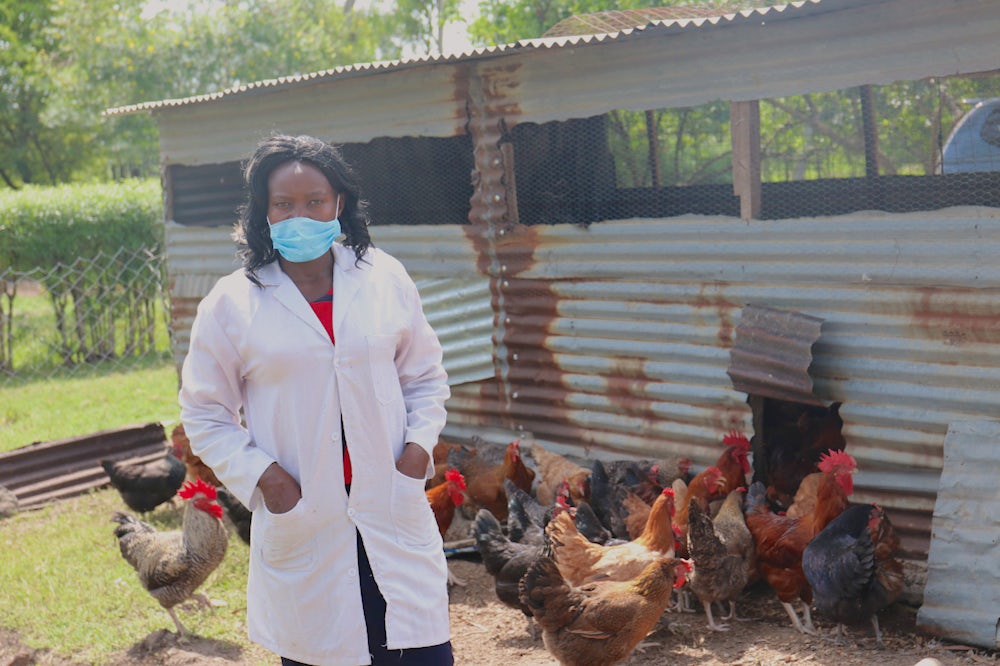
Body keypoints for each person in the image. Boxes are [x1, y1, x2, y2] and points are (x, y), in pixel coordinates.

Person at [178, 134, 454, 666]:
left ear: (339, 205)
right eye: (284, 204)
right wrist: (268, 481)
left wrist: (416, 452)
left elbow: (424, 376)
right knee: (324, 653)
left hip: (389, 511)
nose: (300, 215)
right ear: (264, 212)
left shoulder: (384, 278)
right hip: (305, 519)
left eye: (315, 202)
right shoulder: (232, 304)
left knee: (419, 653)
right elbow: (205, 413)